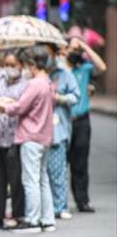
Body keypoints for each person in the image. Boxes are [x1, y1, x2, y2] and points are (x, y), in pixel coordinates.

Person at [0, 45, 55, 233]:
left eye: (27, 64)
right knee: (42, 179)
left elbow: (19, 108)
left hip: (31, 136)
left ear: (33, 64)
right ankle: (47, 219)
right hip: (44, 136)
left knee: (30, 180)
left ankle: (33, 220)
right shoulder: (47, 82)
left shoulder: (35, 84)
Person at [0, 51, 28, 229]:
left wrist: (3, 101)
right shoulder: (1, 79)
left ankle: (18, 215)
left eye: (13, 65)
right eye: (7, 64)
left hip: (14, 137)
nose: (9, 68)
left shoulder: (26, 84)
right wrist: (1, 99)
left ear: (21, 66)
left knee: (16, 179)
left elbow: (21, 105)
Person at [66, 37, 106, 213]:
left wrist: (84, 46)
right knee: (60, 163)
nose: (74, 52)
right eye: (71, 48)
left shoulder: (85, 68)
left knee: (80, 163)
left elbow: (102, 67)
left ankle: (83, 200)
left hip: (81, 121)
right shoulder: (62, 70)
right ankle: (58, 202)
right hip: (63, 121)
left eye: (77, 49)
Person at [45, 44, 80, 220]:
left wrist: (60, 98)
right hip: (38, 130)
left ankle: (60, 206)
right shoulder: (37, 74)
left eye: (50, 53)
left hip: (58, 129)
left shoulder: (65, 75)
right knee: (41, 173)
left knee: (58, 171)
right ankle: (47, 207)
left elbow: (76, 96)